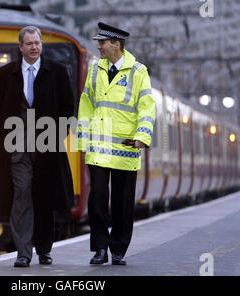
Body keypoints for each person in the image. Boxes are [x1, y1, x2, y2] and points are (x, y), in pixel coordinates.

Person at [0, 26, 75, 267]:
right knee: (22, 195)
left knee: (44, 196)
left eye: (37, 43)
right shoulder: (5, 74)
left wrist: (57, 135)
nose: (34, 47)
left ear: (41, 45)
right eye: (29, 44)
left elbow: (68, 108)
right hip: (15, 147)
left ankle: (44, 249)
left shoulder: (57, 72)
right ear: (21, 47)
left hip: (47, 146)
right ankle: (23, 253)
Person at [76, 22, 156, 265]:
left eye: (102, 42)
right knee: (98, 198)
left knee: (122, 202)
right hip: (99, 148)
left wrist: (142, 136)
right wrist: (82, 136)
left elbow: (147, 107)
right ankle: (99, 248)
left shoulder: (138, 71)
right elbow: (86, 104)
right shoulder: (94, 70)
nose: (98, 46)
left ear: (116, 44)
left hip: (126, 147)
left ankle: (118, 248)